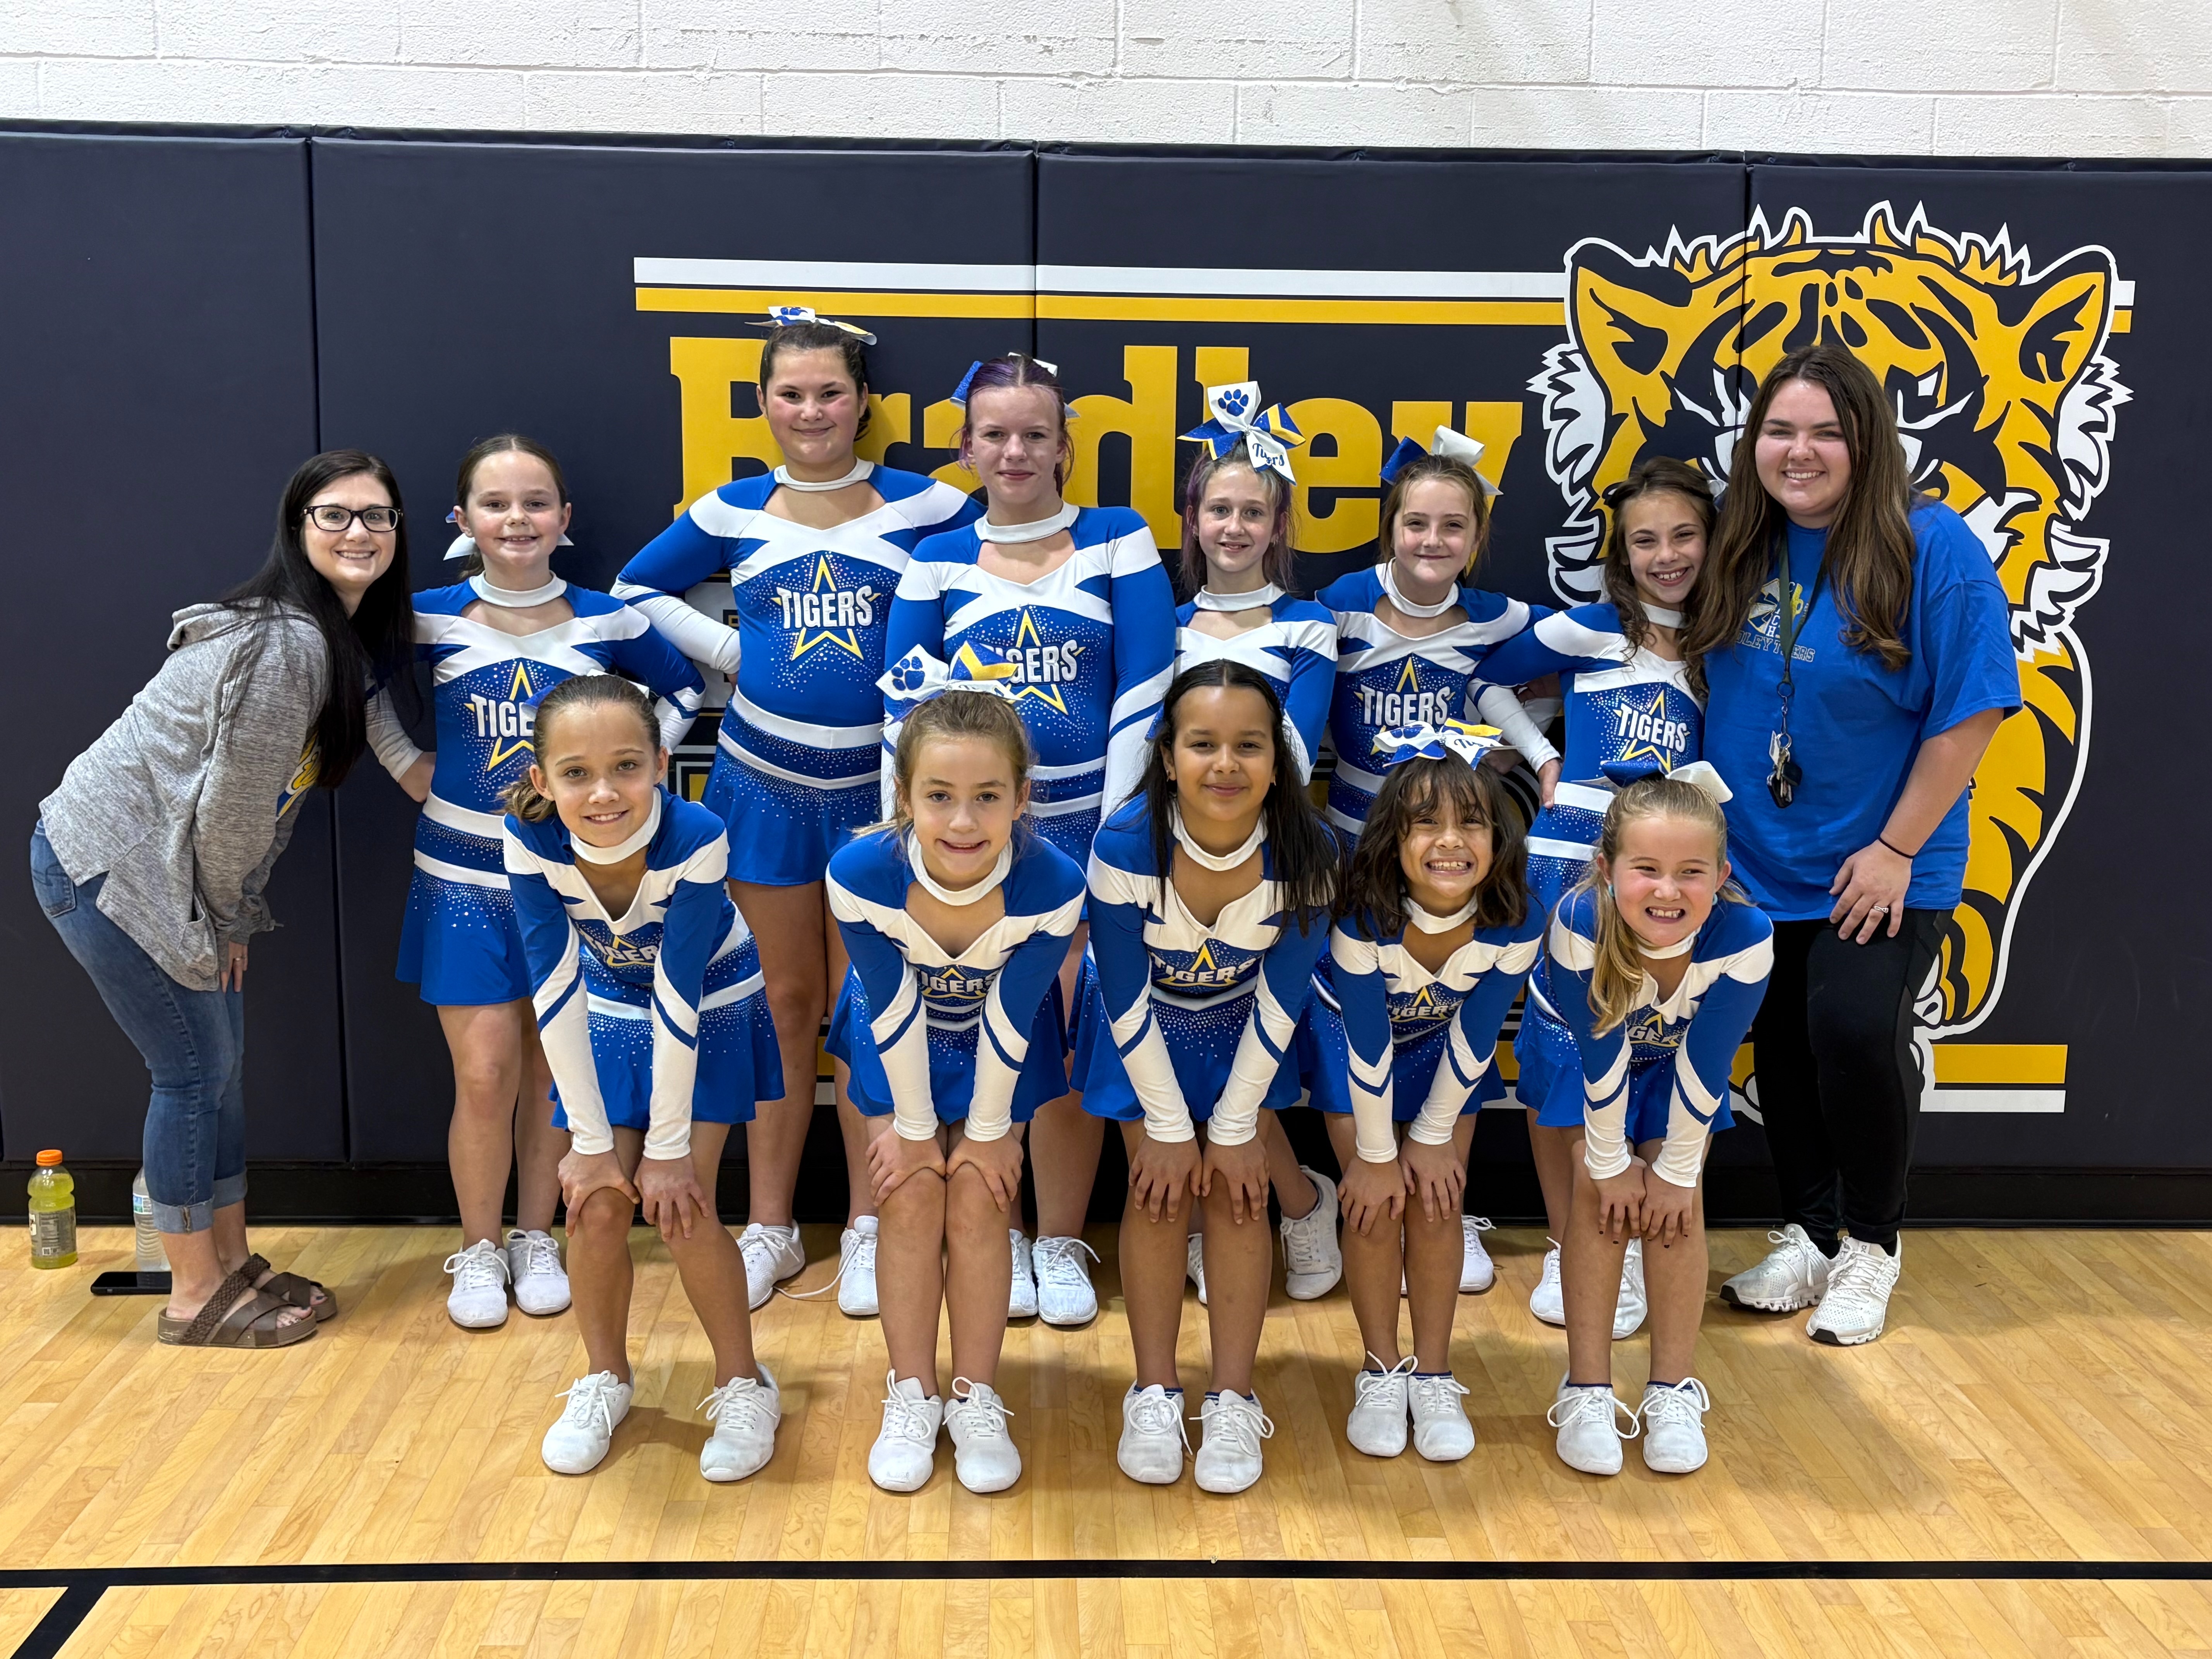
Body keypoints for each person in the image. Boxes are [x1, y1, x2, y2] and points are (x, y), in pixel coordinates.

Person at [615, 311, 982, 1317]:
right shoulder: (732, 508)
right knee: (780, 1002)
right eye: (792, 393)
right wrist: (734, 655)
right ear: (764, 403)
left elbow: (982, 594)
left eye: (831, 393)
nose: (811, 411)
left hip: (882, 789)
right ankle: (771, 1225)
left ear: (863, 403)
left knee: (871, 1007)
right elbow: (634, 588)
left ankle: (870, 1223)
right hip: (764, 782)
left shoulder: (930, 504)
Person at [31, 449, 414, 1347]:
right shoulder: (289, 646)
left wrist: (230, 915)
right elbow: (235, 809)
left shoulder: (336, 642)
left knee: (223, 1074)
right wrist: (219, 914)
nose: (358, 532)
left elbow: (284, 794)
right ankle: (193, 1294)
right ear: (298, 528)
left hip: (181, 873)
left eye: (377, 516)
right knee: (194, 1074)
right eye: (335, 514)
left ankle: (233, 1262)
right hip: (115, 867)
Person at [1686, 344, 2019, 1347]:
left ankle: (1872, 1244)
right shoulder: (1738, 538)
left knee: (1850, 1030)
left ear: (1868, 442)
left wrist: (1894, 848)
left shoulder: (1931, 543)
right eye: (1781, 431)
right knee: (1784, 1045)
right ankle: (1810, 1232)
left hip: (1881, 862)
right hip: (1756, 862)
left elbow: (1973, 710)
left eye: (1827, 432)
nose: (1801, 452)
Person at [367, 435, 702, 1331]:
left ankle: (534, 1235)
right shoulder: (426, 616)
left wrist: (625, 781)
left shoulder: (607, 621)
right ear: (462, 519)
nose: (516, 519)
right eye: (496, 504)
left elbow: (680, 693)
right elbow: (356, 686)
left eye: (535, 503)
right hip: (460, 875)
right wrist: (405, 765)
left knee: (559, 1074)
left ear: (564, 518)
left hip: (567, 880)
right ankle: (479, 1247)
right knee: (485, 1074)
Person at [885, 352, 1178, 1329]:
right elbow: (906, 710)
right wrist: (931, 842)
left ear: (1064, 447)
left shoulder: (1117, 538)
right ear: (966, 447)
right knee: (984, 1028)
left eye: (1035, 434)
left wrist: (1116, 832)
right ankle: (996, 1231)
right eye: (995, 434)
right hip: (973, 839)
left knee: (1062, 1027)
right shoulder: (935, 559)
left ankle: (1058, 1236)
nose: (1015, 451)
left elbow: (1145, 687)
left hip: (1088, 829)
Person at [503, 674, 784, 1481]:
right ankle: (605, 1377)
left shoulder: (697, 834)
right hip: (605, 1003)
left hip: (709, 1004)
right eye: (577, 773)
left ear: (661, 763)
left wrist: (664, 1150)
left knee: (680, 1203)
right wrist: (590, 1145)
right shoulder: (528, 837)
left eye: (625, 766)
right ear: (542, 779)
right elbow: (554, 985)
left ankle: (745, 1383)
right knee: (594, 1205)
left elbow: (678, 993)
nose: (603, 793)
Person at [1074, 661, 1340, 1494]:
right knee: (1156, 1192)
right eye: (1202, 744)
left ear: (1278, 762)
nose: (1225, 764)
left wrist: (1232, 1129)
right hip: (1139, 1028)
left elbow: (1285, 998)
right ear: (1167, 757)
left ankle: (1231, 1395)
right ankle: (1154, 1389)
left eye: (1248, 746)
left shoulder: (1310, 852)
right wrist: (1165, 1128)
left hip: (1245, 1025)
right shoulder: (1124, 844)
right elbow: (1122, 997)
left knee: (1237, 1192)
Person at [826, 656, 1084, 1493]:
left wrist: (987, 1133)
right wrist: (912, 1132)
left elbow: (1013, 1014)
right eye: (939, 795)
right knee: (907, 1195)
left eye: (987, 796)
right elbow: (891, 1004)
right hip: (896, 1032)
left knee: (980, 1197)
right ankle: (912, 1392)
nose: (963, 821)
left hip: (1000, 1043)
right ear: (904, 796)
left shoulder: (1055, 883)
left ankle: (975, 1395)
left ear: (1022, 798)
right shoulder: (860, 872)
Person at [1479, 455, 1716, 1337]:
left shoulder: (1725, 643)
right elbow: (1489, 678)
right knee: (1561, 1057)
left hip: (1667, 878)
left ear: (1713, 540)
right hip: (1569, 863)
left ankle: (1641, 1239)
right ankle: (1568, 1241)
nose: (1666, 555)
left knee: (1654, 1051)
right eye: (1645, 539)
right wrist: (1543, 756)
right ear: (1621, 551)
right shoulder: (1590, 630)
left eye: (1684, 535)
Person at [1538, 773, 1772, 1477]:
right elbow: (1602, 1054)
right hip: (1587, 1054)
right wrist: (1611, 1164)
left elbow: (1706, 1064)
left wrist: (1674, 1173)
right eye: (1647, 869)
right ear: (1607, 870)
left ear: (1721, 877)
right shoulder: (1579, 920)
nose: (1668, 890)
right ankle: (1586, 1388)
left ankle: (1672, 1388)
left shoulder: (1747, 936)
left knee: (1679, 1201)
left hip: (1678, 1061)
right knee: (1595, 1189)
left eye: (1691, 872)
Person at [1324, 721, 1542, 1461]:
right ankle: (1381, 1367)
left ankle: (1435, 1370)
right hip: (1353, 1051)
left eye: (1471, 822)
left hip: (1446, 1051)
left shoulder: (1518, 915)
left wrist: (1432, 1134)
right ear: (1392, 837)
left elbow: (1478, 1034)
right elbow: (1364, 1042)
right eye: (1426, 822)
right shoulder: (1360, 914)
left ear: (1499, 837)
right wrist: (1380, 1152)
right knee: (1376, 1199)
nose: (1450, 840)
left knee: (1440, 1197)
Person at [1170, 381, 1343, 1312]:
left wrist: (1227, 824)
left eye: (1253, 511)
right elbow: (1148, 746)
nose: (1234, 526)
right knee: (1184, 1046)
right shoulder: (1162, 625)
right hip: (1171, 857)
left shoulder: (1308, 626)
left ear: (1278, 524)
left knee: (1248, 1048)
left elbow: (1292, 753)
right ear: (1194, 519)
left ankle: (1304, 1202)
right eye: (1219, 509)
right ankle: (1211, 1225)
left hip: (1275, 857)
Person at [1317, 429, 1556, 851]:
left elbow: (1577, 650)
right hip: (1351, 832)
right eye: (1416, 523)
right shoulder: (1343, 605)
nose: (1432, 540)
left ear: (1477, 538)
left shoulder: (1494, 617)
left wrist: (1522, 743)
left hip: (1446, 839)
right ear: (1391, 530)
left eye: (1453, 526)